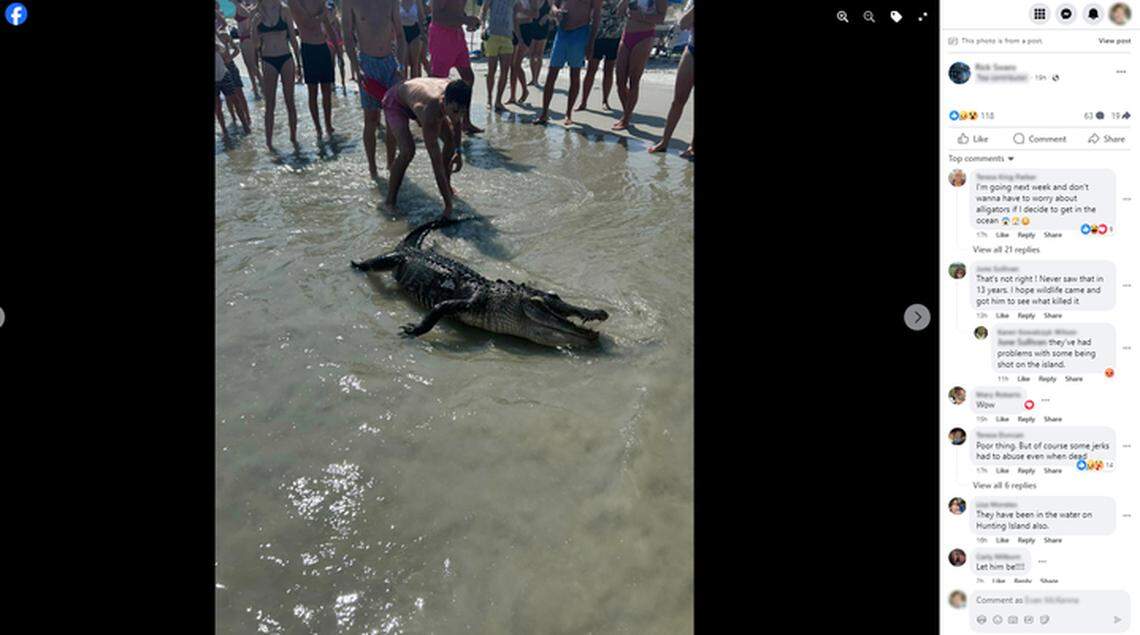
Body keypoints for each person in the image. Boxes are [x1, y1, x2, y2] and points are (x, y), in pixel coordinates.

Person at [382, 77, 472, 217]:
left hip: (415, 95)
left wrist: (458, 152)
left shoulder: (455, 93)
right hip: (395, 102)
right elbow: (436, 164)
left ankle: (447, 186)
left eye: (463, 111)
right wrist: (448, 206)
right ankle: (389, 201)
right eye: (455, 112)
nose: (458, 116)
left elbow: (457, 122)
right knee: (408, 151)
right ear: (445, 101)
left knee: (449, 140)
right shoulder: (430, 114)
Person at [342, 0, 407, 179]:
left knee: (392, 118)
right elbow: (347, 35)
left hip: (389, 64)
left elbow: (401, 36)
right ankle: (372, 170)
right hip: (367, 63)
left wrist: (401, 66)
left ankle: (391, 164)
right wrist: (356, 67)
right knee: (371, 119)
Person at [533, 0, 601, 126]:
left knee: (574, 74)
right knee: (551, 74)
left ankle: (568, 113)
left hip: (580, 32)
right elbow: (553, 4)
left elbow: (597, 16)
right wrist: (556, 12)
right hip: (562, 33)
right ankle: (544, 113)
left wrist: (591, 43)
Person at [427, 0, 484, 133]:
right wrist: (464, 20)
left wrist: (469, 21)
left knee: (469, 78)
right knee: (437, 82)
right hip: (441, 35)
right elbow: (437, 17)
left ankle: (466, 122)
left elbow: (455, 10)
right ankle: (433, 121)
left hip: (457, 34)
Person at [254, 0, 303, 150]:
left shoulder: (284, 10)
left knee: (290, 101)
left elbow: (293, 39)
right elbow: (256, 45)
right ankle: (269, 144)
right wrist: (254, 27)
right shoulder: (257, 13)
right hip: (268, 60)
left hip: (286, 58)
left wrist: (299, 63)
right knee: (270, 104)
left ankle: (294, 139)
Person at [289, 0, 340, 139]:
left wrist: (339, 49)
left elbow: (328, 25)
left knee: (327, 90)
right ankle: (318, 128)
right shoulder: (294, 2)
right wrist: (321, 16)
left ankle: (328, 124)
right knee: (313, 92)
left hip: (323, 46)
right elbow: (308, 23)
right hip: (308, 48)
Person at [613, 0, 666, 131]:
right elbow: (619, 12)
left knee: (634, 80)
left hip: (644, 36)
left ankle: (626, 119)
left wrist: (641, 16)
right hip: (627, 35)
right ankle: (627, 113)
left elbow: (661, 18)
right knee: (620, 80)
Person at [648, 0, 693, 156]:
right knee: (678, 99)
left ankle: (693, 146)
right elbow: (683, 24)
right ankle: (664, 141)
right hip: (692, 50)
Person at [576, 0, 623, 111]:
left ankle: (605, 100)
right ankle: (583, 101)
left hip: (615, 35)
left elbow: (625, 11)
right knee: (591, 69)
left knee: (608, 70)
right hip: (597, 35)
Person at [482, 0, 525, 112]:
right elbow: (484, 9)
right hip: (492, 35)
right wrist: (482, 28)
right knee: (491, 70)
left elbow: (520, 13)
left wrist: (519, 35)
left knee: (505, 71)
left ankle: (498, 101)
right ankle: (489, 99)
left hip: (508, 36)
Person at [217, 29, 254, 133]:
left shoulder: (224, 35)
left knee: (239, 94)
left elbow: (236, 49)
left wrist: (230, 57)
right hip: (219, 68)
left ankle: (248, 118)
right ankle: (234, 119)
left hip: (230, 66)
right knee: (228, 97)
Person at [520, 1, 556, 88]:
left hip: (543, 26)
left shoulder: (549, 1)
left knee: (539, 54)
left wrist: (546, 17)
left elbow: (554, 13)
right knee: (532, 54)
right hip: (532, 25)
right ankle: (533, 78)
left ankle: (536, 78)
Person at [234, 1, 264, 100]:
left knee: (252, 66)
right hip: (243, 38)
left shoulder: (239, 6)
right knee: (249, 67)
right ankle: (256, 90)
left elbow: (250, 15)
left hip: (246, 38)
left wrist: (250, 28)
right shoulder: (238, 6)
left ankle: (263, 88)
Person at [325, 1, 350, 93]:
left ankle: (343, 82)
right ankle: (333, 83)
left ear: (334, 10)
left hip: (339, 43)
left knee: (341, 62)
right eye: (328, 10)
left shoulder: (338, 20)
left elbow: (343, 33)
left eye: (331, 10)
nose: (329, 12)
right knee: (331, 64)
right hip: (330, 43)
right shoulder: (326, 21)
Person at [400, 0, 429, 79]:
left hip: (415, 32)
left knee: (415, 63)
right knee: (403, 64)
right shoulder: (397, 2)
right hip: (402, 34)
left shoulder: (417, 1)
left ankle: (415, 85)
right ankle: (404, 87)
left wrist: (423, 34)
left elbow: (421, 18)